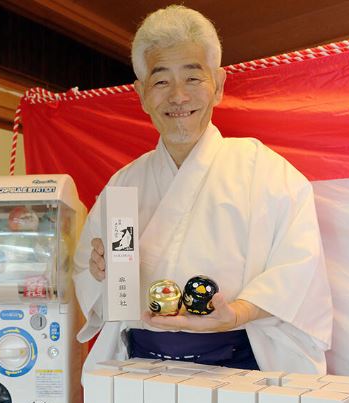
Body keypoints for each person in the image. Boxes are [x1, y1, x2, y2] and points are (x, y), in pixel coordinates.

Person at [74, 4, 332, 373]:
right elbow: (88, 275)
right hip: (140, 367)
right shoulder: (124, 183)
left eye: (193, 78)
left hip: (239, 366)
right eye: (161, 81)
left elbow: (298, 270)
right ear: (141, 94)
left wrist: (237, 312)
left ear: (219, 85)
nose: (178, 96)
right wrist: (100, 271)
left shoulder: (267, 172)